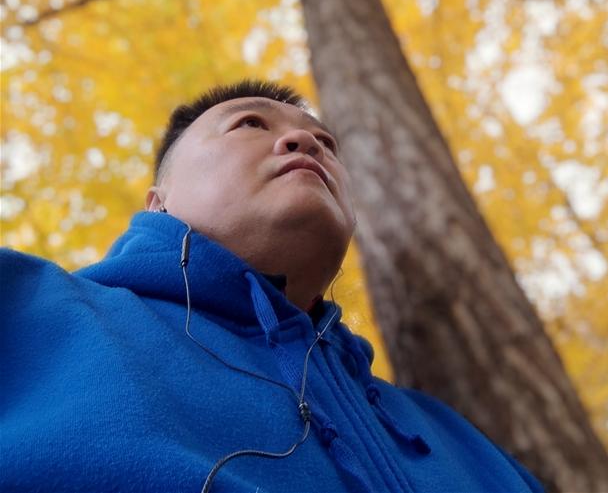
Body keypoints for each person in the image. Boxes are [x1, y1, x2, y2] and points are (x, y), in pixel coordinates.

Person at [0, 79, 544, 493]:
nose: (306, 140)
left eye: (326, 142)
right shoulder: (27, 309)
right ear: (157, 202)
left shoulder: (464, 443)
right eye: (250, 125)